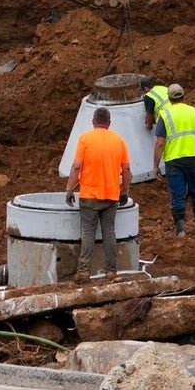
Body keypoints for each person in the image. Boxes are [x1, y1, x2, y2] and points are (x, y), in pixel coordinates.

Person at [65, 107, 133, 278]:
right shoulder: (119, 141)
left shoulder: (85, 139)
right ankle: (111, 271)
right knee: (109, 231)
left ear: (93, 122)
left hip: (89, 196)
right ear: (109, 123)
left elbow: (76, 166)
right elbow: (126, 169)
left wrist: (70, 189)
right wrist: (124, 190)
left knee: (88, 232)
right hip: (111, 195)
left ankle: (83, 272)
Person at [152, 82, 195, 235]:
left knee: (177, 193)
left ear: (169, 99)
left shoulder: (165, 115)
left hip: (174, 160)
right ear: (184, 96)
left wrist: (155, 165)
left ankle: (180, 229)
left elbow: (160, 142)